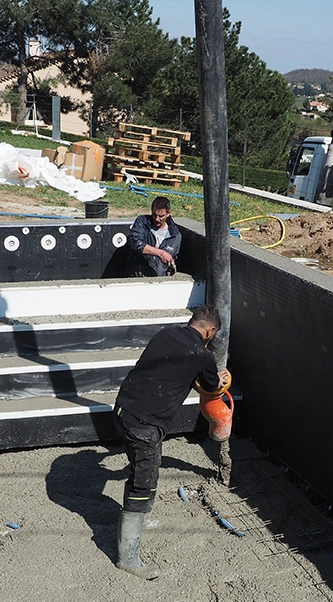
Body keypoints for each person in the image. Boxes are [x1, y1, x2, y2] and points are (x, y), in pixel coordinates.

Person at [113, 305, 230, 580]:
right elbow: (212, 387)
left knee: (143, 466)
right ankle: (127, 558)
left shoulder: (166, 333)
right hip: (145, 423)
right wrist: (220, 378)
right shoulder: (202, 354)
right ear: (210, 331)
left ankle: (139, 521)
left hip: (122, 409)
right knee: (143, 479)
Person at [126, 197, 182, 276]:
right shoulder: (142, 222)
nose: (157, 219)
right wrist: (160, 253)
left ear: (168, 213)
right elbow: (135, 243)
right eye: (154, 215)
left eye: (161, 216)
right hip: (137, 275)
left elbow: (173, 259)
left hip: (159, 278)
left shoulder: (175, 236)